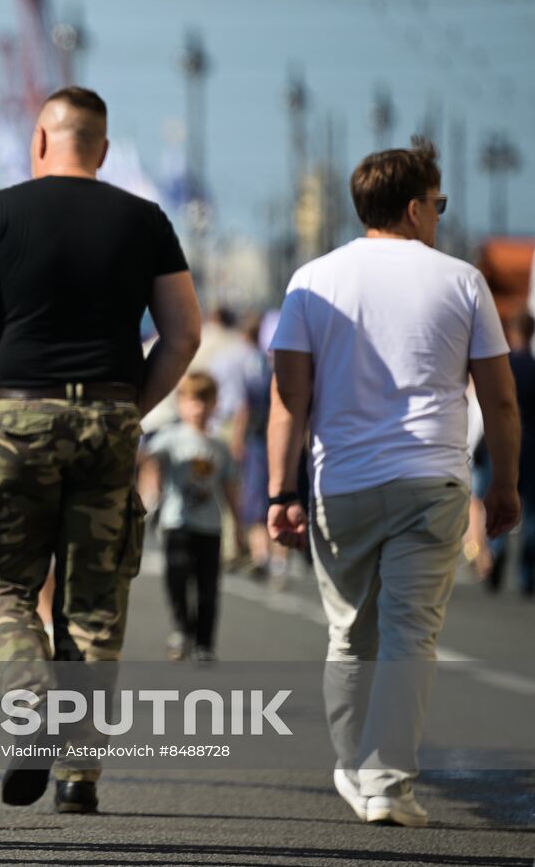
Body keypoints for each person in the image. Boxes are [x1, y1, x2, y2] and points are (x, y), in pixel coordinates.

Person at [0, 86, 201, 814]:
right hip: (109, 415)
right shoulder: (145, 220)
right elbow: (184, 335)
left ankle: (30, 696)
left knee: (1, 576)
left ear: (41, 141)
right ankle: (80, 773)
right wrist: (128, 405)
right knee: (95, 596)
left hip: (19, 416)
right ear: (101, 150)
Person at [267, 138, 520, 828]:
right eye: (439, 203)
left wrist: (279, 494)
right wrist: (503, 484)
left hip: (340, 484)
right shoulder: (462, 281)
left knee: (350, 633)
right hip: (430, 481)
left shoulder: (310, 280)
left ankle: (355, 766)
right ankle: (384, 779)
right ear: (414, 207)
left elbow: (288, 398)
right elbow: (498, 399)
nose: (440, 214)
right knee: (411, 633)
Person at [139, 371, 243, 662]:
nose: (198, 408)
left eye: (205, 401)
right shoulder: (171, 438)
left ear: (215, 405)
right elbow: (146, 459)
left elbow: (230, 487)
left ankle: (204, 643)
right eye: (192, 400)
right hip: (176, 522)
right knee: (177, 580)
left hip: (210, 526)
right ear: (181, 403)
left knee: (208, 588)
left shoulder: (220, 446)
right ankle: (182, 630)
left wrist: (238, 527)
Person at [483, 311, 535, 597]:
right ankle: (528, 574)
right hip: (532, 447)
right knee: (532, 513)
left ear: (513, 332)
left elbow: (496, 406)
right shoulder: (533, 367)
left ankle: (496, 553)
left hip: (502, 442)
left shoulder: (505, 365)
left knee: (498, 502)